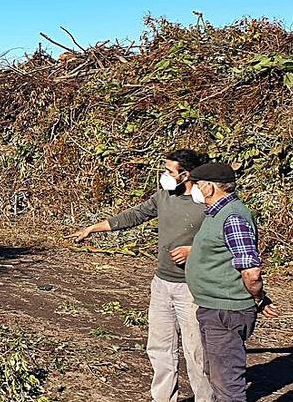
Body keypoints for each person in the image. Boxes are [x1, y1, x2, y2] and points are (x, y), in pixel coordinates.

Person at [70, 149, 212, 402]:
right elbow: (134, 216)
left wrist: (195, 250)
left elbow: (224, 239)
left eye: (169, 170)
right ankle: (163, 398)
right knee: (160, 348)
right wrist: (94, 228)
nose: (164, 175)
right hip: (161, 284)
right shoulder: (164, 196)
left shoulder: (207, 205)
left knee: (197, 352)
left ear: (186, 174)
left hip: (192, 288)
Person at [185, 162, 278, 402]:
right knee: (217, 376)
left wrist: (257, 297)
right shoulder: (217, 213)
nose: (192, 189)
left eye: (196, 184)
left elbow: (251, 271)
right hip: (215, 308)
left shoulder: (233, 217)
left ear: (209, 188)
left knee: (227, 385)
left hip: (225, 311)